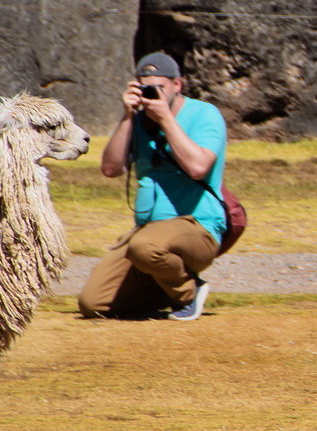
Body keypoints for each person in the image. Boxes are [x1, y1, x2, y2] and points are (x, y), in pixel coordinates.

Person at [78, 52, 227, 321]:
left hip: (198, 225)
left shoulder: (205, 114)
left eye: (158, 88)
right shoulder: (137, 121)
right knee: (93, 304)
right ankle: (164, 285)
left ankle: (188, 293)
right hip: (148, 233)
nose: (151, 95)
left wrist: (166, 120)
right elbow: (111, 169)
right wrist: (126, 117)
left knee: (145, 247)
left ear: (177, 85)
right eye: (145, 87)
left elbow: (197, 167)